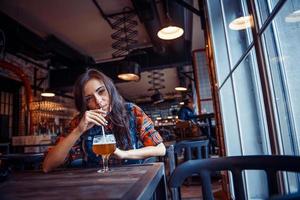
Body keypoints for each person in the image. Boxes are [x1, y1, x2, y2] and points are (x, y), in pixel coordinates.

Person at [43, 69, 166, 172]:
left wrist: (124, 154)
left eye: (101, 91)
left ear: (110, 89)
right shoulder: (80, 122)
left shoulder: (132, 111)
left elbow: (160, 149)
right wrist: (78, 130)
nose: (98, 101)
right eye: (89, 99)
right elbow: (47, 166)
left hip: (132, 178)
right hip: (95, 185)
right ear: (84, 104)